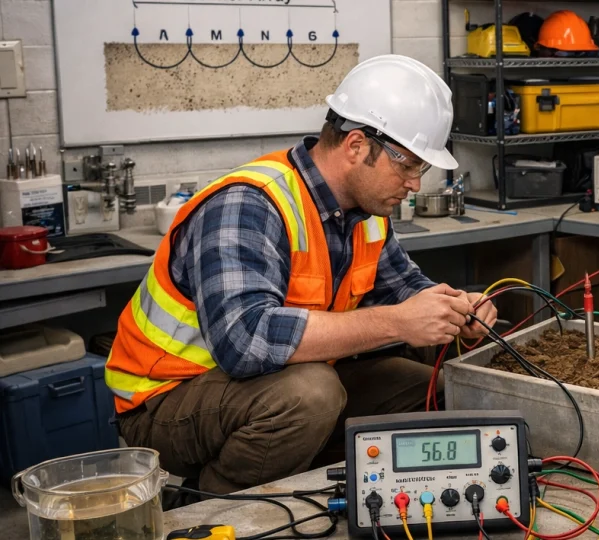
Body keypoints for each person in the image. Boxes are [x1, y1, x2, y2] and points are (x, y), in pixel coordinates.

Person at [104, 55, 498, 496]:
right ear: (355, 146)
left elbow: (402, 287)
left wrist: (452, 307)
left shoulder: (366, 212)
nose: (414, 184)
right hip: (165, 399)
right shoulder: (249, 204)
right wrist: (398, 322)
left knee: (439, 390)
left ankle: (318, 482)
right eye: (407, 165)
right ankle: (207, 504)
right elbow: (245, 341)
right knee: (311, 396)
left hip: (275, 383)